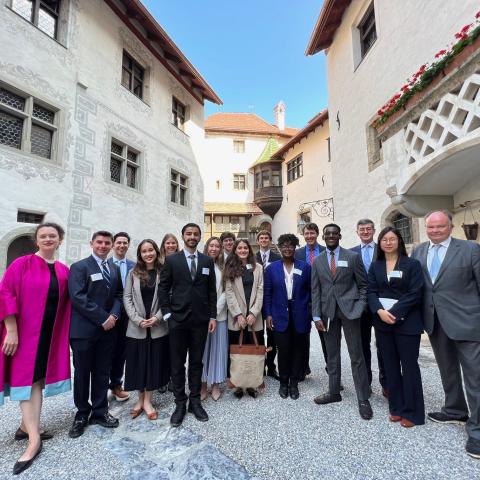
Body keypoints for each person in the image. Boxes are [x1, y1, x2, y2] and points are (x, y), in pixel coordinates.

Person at [0, 223, 71, 475]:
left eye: (53, 235)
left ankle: (25, 427)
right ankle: (33, 440)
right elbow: (5, 292)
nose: (48, 239)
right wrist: (11, 330)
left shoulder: (63, 270)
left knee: (38, 380)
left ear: (60, 240)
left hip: (50, 336)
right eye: (43, 236)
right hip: (25, 335)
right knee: (28, 382)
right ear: (36, 240)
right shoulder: (22, 264)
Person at [412, 210, 480, 458]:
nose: (435, 231)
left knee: (475, 377)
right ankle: (455, 410)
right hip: (435, 322)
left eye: (440, 226)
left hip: (468, 322)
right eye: (430, 227)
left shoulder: (470, 249)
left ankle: (478, 429)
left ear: (451, 227)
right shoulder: (419, 251)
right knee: (447, 370)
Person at [311, 223, 373, 420]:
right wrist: (316, 315)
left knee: (357, 355)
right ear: (323, 236)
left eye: (334, 233)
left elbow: (364, 285)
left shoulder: (352, 257)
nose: (331, 236)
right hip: (328, 313)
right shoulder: (318, 261)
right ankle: (334, 391)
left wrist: (360, 306)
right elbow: (315, 290)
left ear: (340, 235)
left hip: (350, 312)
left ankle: (363, 398)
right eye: (327, 233)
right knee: (332, 354)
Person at [158, 223, 217, 427]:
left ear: (200, 237)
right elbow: (163, 288)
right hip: (177, 319)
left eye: (196, 234)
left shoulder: (207, 260)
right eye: (189, 233)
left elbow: (211, 292)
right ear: (183, 236)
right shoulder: (172, 260)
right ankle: (180, 403)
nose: (192, 236)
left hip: (200, 321)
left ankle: (195, 401)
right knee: (177, 363)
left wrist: (212, 316)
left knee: (196, 362)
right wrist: (167, 314)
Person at [68, 231, 123, 439]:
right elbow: (78, 297)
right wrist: (103, 317)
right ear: (91, 243)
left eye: (106, 243)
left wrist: (114, 316)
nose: (102, 245)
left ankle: (99, 411)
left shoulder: (114, 268)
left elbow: (118, 294)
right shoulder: (79, 267)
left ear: (111, 246)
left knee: (102, 372)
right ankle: (82, 414)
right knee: (82, 373)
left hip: (108, 331)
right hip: (84, 331)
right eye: (99, 242)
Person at [367, 227, 425, 427]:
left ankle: (413, 412)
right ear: (380, 243)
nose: (388, 242)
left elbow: (415, 292)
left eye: (392, 239)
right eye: (384, 239)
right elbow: (370, 292)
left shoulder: (412, 265)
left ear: (399, 241)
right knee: (390, 367)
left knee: (409, 367)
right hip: (383, 323)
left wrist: (395, 312)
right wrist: (380, 312)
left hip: (407, 322)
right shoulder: (375, 266)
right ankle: (396, 407)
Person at [123, 239, 169, 420]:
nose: (148, 254)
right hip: (137, 327)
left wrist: (157, 318)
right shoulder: (133, 273)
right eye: (144, 251)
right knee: (137, 364)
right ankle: (139, 399)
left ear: (156, 252)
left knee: (153, 364)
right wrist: (137, 319)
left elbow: (168, 296)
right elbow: (127, 298)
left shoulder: (163, 272)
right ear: (140, 255)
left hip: (157, 326)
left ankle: (148, 400)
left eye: (151, 250)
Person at [264, 234, 311, 400]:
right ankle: (283, 382)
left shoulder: (305, 267)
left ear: (295, 247)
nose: (287, 248)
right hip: (279, 313)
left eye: (291, 245)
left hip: (300, 313)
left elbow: (311, 292)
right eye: (284, 245)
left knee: (298, 350)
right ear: (279, 247)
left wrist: (310, 312)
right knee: (283, 350)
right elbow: (267, 293)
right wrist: (268, 314)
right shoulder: (271, 269)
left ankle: (294, 383)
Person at [350, 219, 387, 396]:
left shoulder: (383, 249)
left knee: (383, 344)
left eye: (368, 229)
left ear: (373, 230)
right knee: (362, 345)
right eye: (362, 229)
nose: (365, 232)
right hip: (361, 307)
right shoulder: (351, 253)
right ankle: (367, 384)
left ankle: (386, 383)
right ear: (357, 232)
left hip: (381, 304)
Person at [225, 239, 264, 399]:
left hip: (254, 317)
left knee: (254, 349)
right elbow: (229, 292)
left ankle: (253, 383)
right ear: (235, 250)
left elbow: (261, 290)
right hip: (237, 318)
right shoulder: (230, 268)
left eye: (245, 248)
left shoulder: (258, 268)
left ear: (249, 250)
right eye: (239, 248)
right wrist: (239, 315)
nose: (242, 250)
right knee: (237, 351)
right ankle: (238, 383)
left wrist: (253, 312)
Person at [294, 222, 327, 378]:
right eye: (306, 234)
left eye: (312, 233)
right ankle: (303, 368)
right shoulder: (297, 253)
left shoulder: (326, 251)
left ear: (317, 234)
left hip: (322, 300)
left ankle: (332, 370)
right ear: (303, 235)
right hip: (303, 299)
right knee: (302, 336)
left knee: (326, 337)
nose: (309, 236)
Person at [108, 231, 135, 402]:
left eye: (125, 243)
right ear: (113, 244)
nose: (122, 245)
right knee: (106, 351)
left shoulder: (134, 265)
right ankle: (102, 387)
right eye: (119, 242)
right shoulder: (105, 264)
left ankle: (117, 385)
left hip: (128, 314)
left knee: (121, 351)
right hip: (109, 313)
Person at [201, 237, 228, 401]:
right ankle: (203, 384)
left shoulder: (223, 267)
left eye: (217, 246)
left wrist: (215, 311)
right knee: (202, 351)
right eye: (211, 245)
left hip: (219, 316)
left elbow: (227, 290)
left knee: (218, 350)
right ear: (207, 247)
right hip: (201, 316)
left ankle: (216, 384)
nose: (214, 248)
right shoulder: (200, 264)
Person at [256, 229, 281, 380]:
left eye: (266, 238)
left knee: (272, 335)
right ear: (258, 241)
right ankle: (259, 367)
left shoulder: (277, 258)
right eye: (262, 238)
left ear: (270, 240)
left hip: (272, 299)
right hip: (257, 299)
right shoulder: (252, 258)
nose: (264, 240)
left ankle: (271, 366)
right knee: (258, 334)